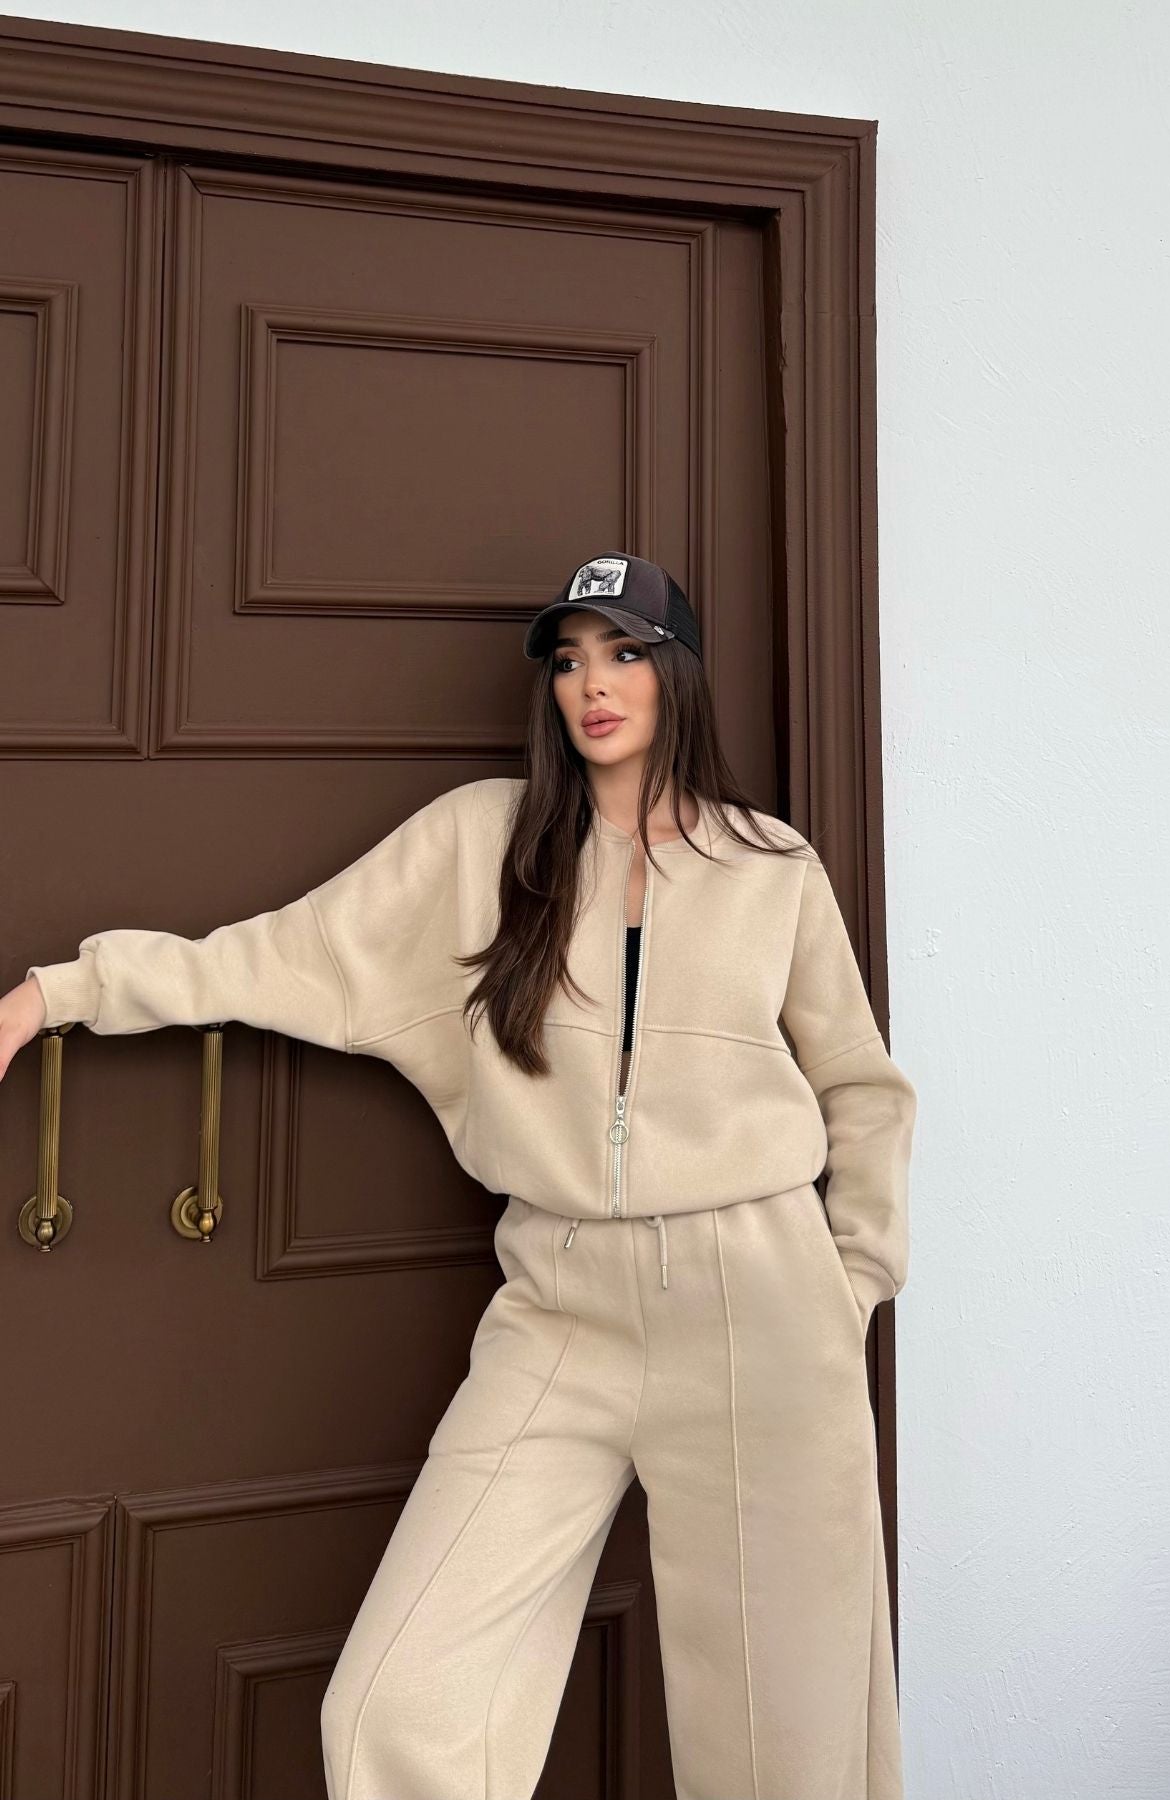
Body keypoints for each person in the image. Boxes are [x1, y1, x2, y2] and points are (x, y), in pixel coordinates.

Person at [0, 551, 917, 1800]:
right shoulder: (484, 841)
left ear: (679, 674)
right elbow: (284, 958)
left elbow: (862, 1087)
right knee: (397, 1705)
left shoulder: (772, 867)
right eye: (570, 661)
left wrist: (848, 1283)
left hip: (763, 1310)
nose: (593, 685)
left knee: (790, 1748)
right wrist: (60, 993)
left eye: (626, 653)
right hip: (562, 1309)